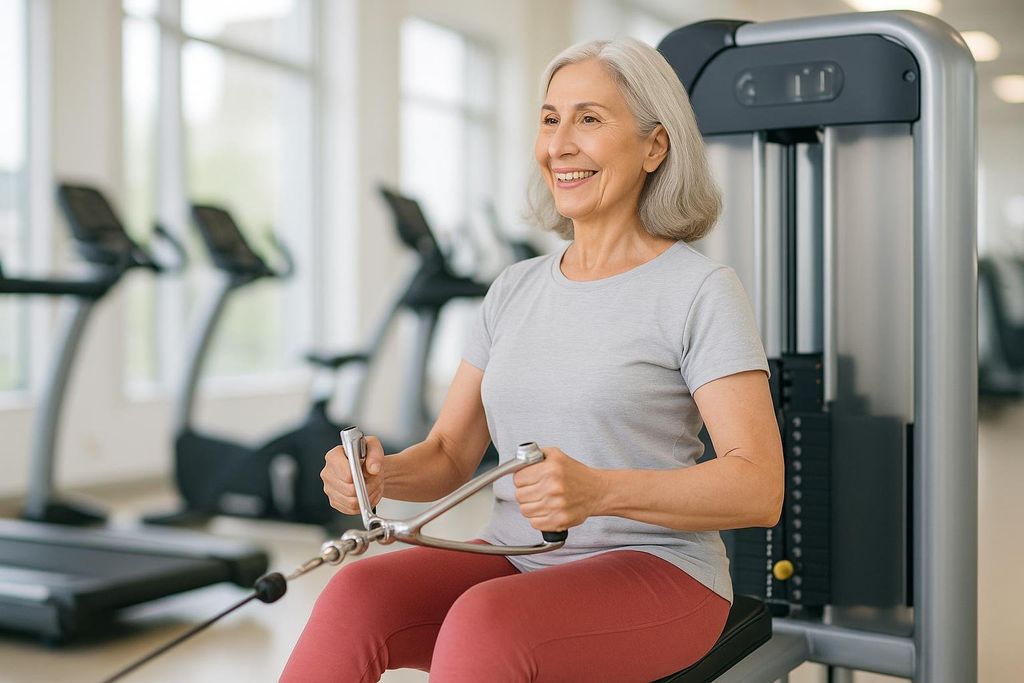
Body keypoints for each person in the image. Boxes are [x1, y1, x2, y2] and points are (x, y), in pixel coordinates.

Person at [282, 37, 783, 683]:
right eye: (551, 119)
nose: (560, 144)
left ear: (655, 146)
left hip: (661, 571)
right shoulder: (515, 286)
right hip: (520, 555)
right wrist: (379, 475)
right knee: (358, 593)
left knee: (488, 618)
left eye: (590, 119)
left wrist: (602, 489)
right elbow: (450, 455)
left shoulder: (698, 289)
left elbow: (758, 486)